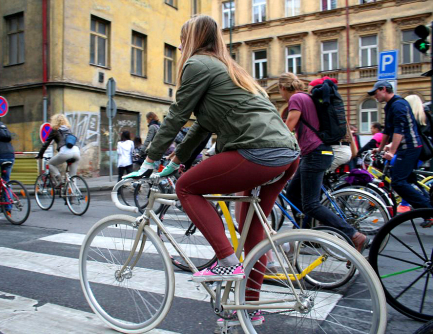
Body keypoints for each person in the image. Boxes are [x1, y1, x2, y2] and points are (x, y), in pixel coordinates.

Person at [125, 14, 300, 325]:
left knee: (186, 188)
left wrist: (149, 160)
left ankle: (224, 261)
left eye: (181, 40)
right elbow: (201, 126)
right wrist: (175, 162)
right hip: (286, 154)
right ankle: (248, 310)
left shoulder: (197, 65)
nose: (179, 47)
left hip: (256, 149)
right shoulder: (230, 69)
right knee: (253, 235)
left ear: (191, 39)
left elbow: (178, 114)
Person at [280, 72, 368, 251]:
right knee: (293, 194)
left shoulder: (296, 98)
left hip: (315, 153)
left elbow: (287, 126)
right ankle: (309, 234)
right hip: (317, 152)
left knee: (311, 204)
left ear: (282, 88)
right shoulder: (307, 97)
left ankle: (353, 234)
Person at [369, 80, 432, 210]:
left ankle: (427, 210)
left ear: (384, 89)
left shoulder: (398, 104)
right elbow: (387, 130)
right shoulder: (390, 106)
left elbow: (399, 130)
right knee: (404, 179)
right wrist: (379, 149)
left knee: (398, 182)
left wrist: (391, 151)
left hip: (410, 147)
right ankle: (425, 199)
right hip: (406, 148)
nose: (375, 96)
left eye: (376, 93)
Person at [308, 77, 356, 172]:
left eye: (310, 91)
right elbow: (348, 134)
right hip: (343, 151)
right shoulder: (335, 110)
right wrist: (353, 151)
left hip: (336, 151)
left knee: (310, 174)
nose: (310, 95)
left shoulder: (323, 109)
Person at [36, 114, 80, 187]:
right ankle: (74, 194)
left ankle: (59, 180)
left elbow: (46, 144)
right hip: (76, 152)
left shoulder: (55, 130)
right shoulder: (69, 129)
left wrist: (40, 154)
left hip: (65, 152)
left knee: (50, 164)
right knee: (72, 177)